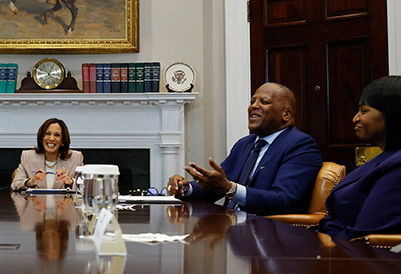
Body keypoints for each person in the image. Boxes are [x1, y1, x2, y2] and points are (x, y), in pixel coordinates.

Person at [167, 82, 322, 215]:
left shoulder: (301, 146)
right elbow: (216, 187)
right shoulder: (245, 144)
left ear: (286, 114)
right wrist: (186, 189)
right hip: (229, 228)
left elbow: (283, 200)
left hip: (267, 235)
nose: (253, 106)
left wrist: (230, 188)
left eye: (264, 102)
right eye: (252, 101)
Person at [319, 76, 401, 239]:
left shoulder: (397, 165)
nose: (355, 118)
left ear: (391, 113)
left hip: (351, 256)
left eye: (364, 111)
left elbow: (365, 234)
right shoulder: (386, 157)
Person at [11, 118, 83, 191]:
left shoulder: (76, 157)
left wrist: (70, 182)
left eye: (57, 135)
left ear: (63, 140)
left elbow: (86, 187)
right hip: (35, 202)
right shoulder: (27, 156)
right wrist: (30, 182)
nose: (51, 138)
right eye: (47, 134)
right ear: (42, 138)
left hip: (64, 202)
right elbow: (15, 185)